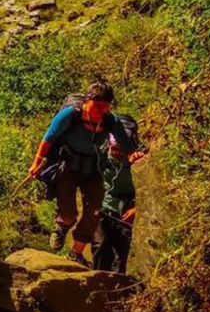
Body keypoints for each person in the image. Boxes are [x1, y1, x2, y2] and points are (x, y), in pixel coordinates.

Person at [27, 82, 141, 266]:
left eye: (105, 108)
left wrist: (133, 154)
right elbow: (49, 137)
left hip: (92, 168)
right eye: (97, 107)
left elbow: (126, 145)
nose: (101, 112)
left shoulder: (110, 120)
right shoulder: (70, 114)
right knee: (69, 212)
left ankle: (75, 254)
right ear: (88, 101)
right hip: (68, 166)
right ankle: (62, 226)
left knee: (94, 212)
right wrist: (36, 162)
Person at [93, 127, 141, 273]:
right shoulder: (100, 155)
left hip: (126, 211)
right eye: (114, 148)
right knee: (100, 248)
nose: (116, 153)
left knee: (122, 256)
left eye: (121, 150)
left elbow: (151, 190)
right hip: (103, 208)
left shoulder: (139, 161)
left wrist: (136, 208)